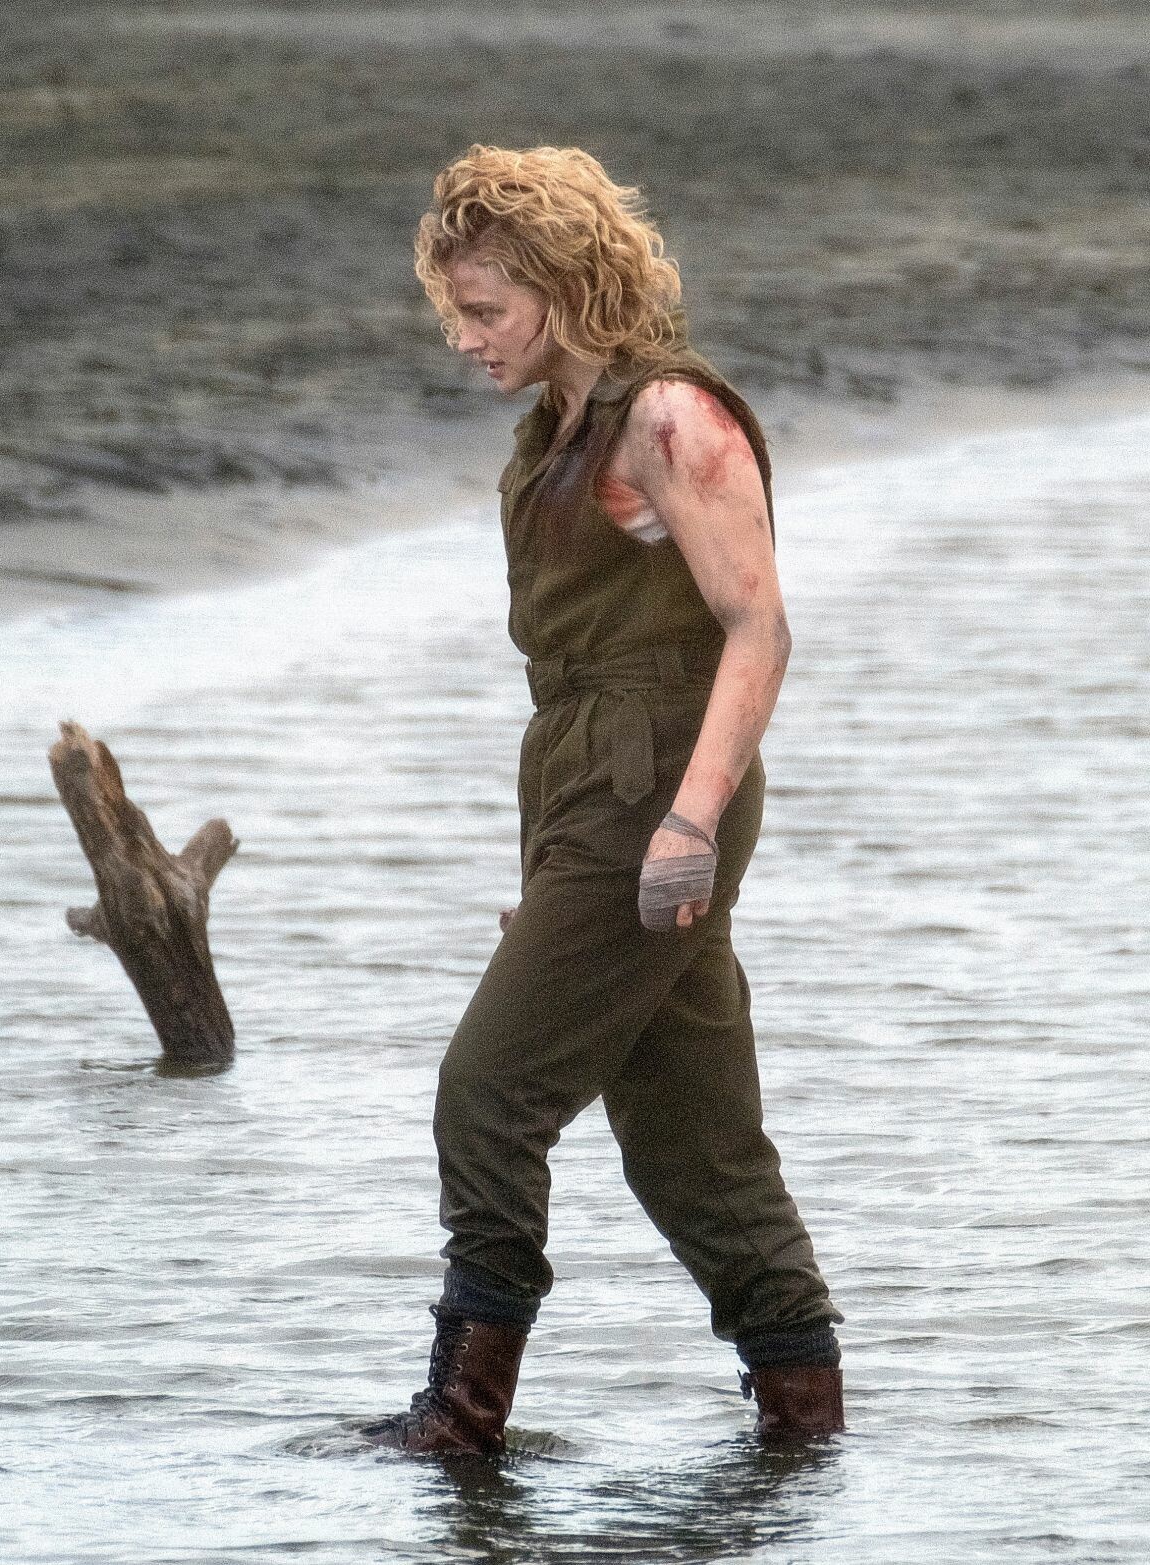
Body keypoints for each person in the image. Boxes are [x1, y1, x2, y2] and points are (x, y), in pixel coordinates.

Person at [362, 144, 845, 1456]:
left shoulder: (669, 418)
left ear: (567, 285)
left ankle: (464, 1418)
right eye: (455, 310)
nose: (464, 338)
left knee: (487, 1092)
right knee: (692, 1138)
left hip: (659, 784)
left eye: (486, 310)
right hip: (587, 774)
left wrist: (688, 824)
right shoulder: (559, 428)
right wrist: (560, 856)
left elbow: (759, 628)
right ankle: (807, 1428)